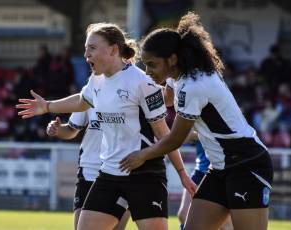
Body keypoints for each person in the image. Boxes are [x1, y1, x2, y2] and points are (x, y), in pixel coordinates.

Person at [17, 23, 196, 230]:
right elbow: (82, 101)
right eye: (86, 49)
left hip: (144, 173)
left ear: (113, 49)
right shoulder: (97, 80)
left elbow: (163, 132)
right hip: (110, 173)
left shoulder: (142, 83)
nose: (86, 55)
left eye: (92, 48)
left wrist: (182, 173)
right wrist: (48, 106)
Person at [119, 12, 273, 230]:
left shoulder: (194, 85)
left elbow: (174, 139)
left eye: (152, 65)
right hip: (220, 168)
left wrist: (142, 155)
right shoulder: (178, 74)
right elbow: (167, 99)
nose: (147, 72)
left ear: (172, 59)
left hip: (247, 165)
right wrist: (129, 104)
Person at [165, 78, 234, 230]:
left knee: (224, 223)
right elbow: (184, 135)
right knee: (183, 214)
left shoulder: (218, 111)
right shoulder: (191, 106)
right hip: (200, 169)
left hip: (217, 169)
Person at [46, 109, 130, 230]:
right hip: (89, 172)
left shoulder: (134, 93)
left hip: (120, 172)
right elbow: (71, 129)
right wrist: (57, 129)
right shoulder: (89, 92)